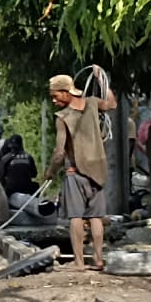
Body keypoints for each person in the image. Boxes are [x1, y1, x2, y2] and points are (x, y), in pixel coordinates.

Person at [42, 69, 117, 271]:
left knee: (75, 217)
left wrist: (49, 173)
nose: (54, 101)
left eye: (55, 96)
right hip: (98, 170)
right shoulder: (93, 103)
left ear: (66, 92)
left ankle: (79, 262)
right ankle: (99, 259)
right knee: (96, 217)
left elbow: (59, 153)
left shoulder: (63, 117)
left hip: (75, 172)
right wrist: (104, 81)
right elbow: (112, 104)